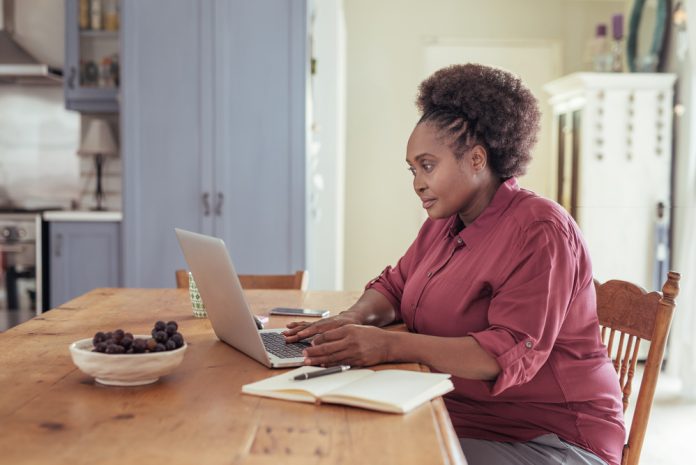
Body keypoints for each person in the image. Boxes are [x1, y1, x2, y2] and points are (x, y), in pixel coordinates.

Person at [283, 64, 625, 465]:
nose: (417, 183)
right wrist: (354, 317)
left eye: (428, 166)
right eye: (413, 170)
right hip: (463, 416)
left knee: (374, 454)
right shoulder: (446, 223)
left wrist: (387, 344)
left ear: (477, 159)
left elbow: (503, 354)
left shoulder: (540, 231)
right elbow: (394, 286)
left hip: (552, 438)